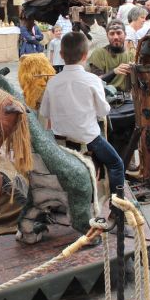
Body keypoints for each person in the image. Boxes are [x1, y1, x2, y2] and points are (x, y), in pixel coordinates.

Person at [39, 31, 124, 196]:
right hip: (88, 139)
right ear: (85, 56)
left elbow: (45, 112)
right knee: (116, 164)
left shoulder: (53, 82)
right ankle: (117, 208)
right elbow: (103, 111)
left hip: (60, 140)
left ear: (61, 55)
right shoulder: (93, 80)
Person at [87, 19, 135, 93]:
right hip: (106, 98)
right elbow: (96, 81)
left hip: (127, 98)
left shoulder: (131, 55)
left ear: (125, 34)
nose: (115, 37)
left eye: (119, 33)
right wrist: (114, 72)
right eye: (112, 34)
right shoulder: (99, 54)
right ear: (107, 36)